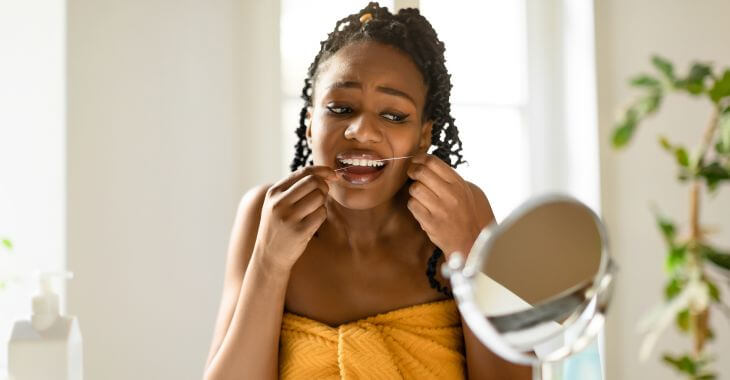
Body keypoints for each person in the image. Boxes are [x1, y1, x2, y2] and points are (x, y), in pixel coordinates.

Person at [203, 3, 531, 379]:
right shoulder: (264, 212)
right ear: (310, 122)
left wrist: (468, 254)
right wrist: (269, 264)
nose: (362, 131)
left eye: (393, 115)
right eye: (340, 108)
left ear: (424, 134)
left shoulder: (464, 209)